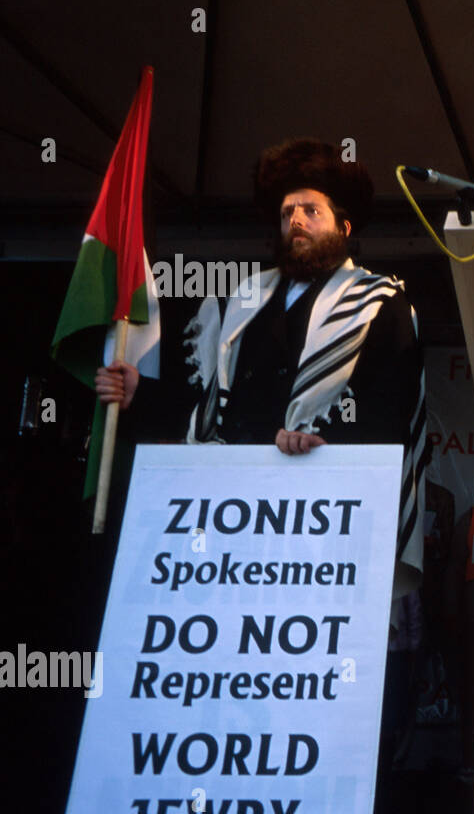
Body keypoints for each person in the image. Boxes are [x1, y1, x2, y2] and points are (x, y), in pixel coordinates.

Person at [95, 137, 429, 597]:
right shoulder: (242, 301)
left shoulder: (380, 305)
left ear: (345, 227)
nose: (295, 219)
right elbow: (209, 405)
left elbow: (390, 413)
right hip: (236, 519)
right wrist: (142, 393)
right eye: (287, 212)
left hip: (323, 523)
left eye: (311, 210)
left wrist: (322, 444)